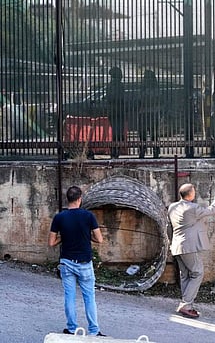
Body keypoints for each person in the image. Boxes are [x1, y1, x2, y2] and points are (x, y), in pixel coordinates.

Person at [48, 186, 106, 337]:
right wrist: (87, 236)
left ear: (68, 199)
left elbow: (52, 242)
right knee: (89, 297)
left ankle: (71, 328)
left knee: (69, 296)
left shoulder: (59, 217)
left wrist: (64, 236)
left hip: (67, 262)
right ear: (80, 199)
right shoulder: (88, 216)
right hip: (84, 263)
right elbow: (99, 239)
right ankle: (94, 330)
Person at [167, 183, 215, 318]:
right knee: (197, 272)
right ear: (190, 194)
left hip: (177, 245)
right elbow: (210, 211)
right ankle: (186, 304)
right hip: (189, 246)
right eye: (194, 191)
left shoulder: (172, 206)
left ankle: (187, 304)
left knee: (185, 274)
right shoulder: (192, 208)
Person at [106, 66, 125, 158]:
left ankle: (114, 151)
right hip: (119, 111)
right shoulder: (120, 85)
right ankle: (116, 150)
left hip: (112, 112)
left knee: (115, 132)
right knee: (118, 132)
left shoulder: (110, 85)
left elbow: (108, 98)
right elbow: (122, 98)